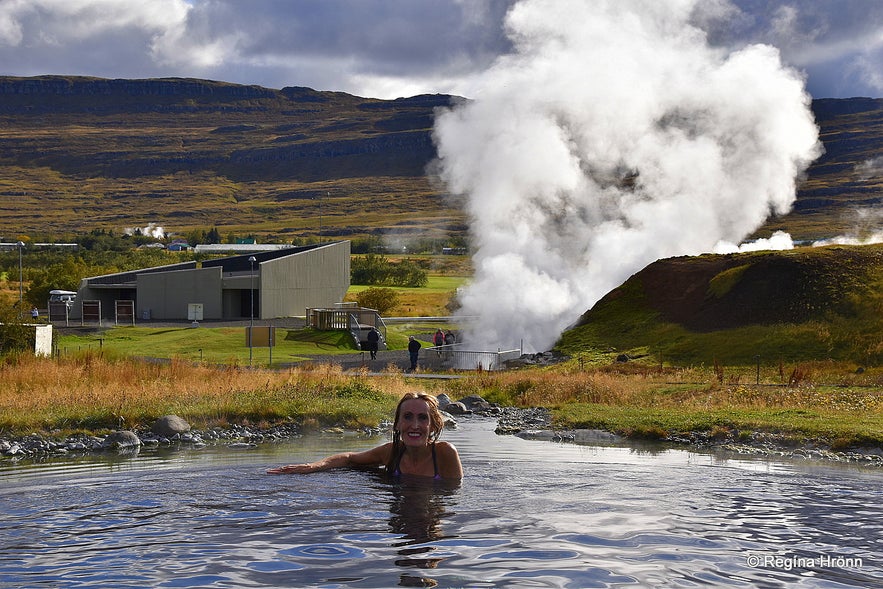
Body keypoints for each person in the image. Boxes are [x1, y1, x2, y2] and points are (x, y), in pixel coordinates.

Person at [267, 392, 463, 480]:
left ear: (434, 425)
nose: (415, 425)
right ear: (397, 424)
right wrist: (312, 467)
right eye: (407, 417)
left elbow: (451, 500)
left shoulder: (445, 453)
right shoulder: (391, 453)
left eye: (422, 418)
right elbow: (348, 458)